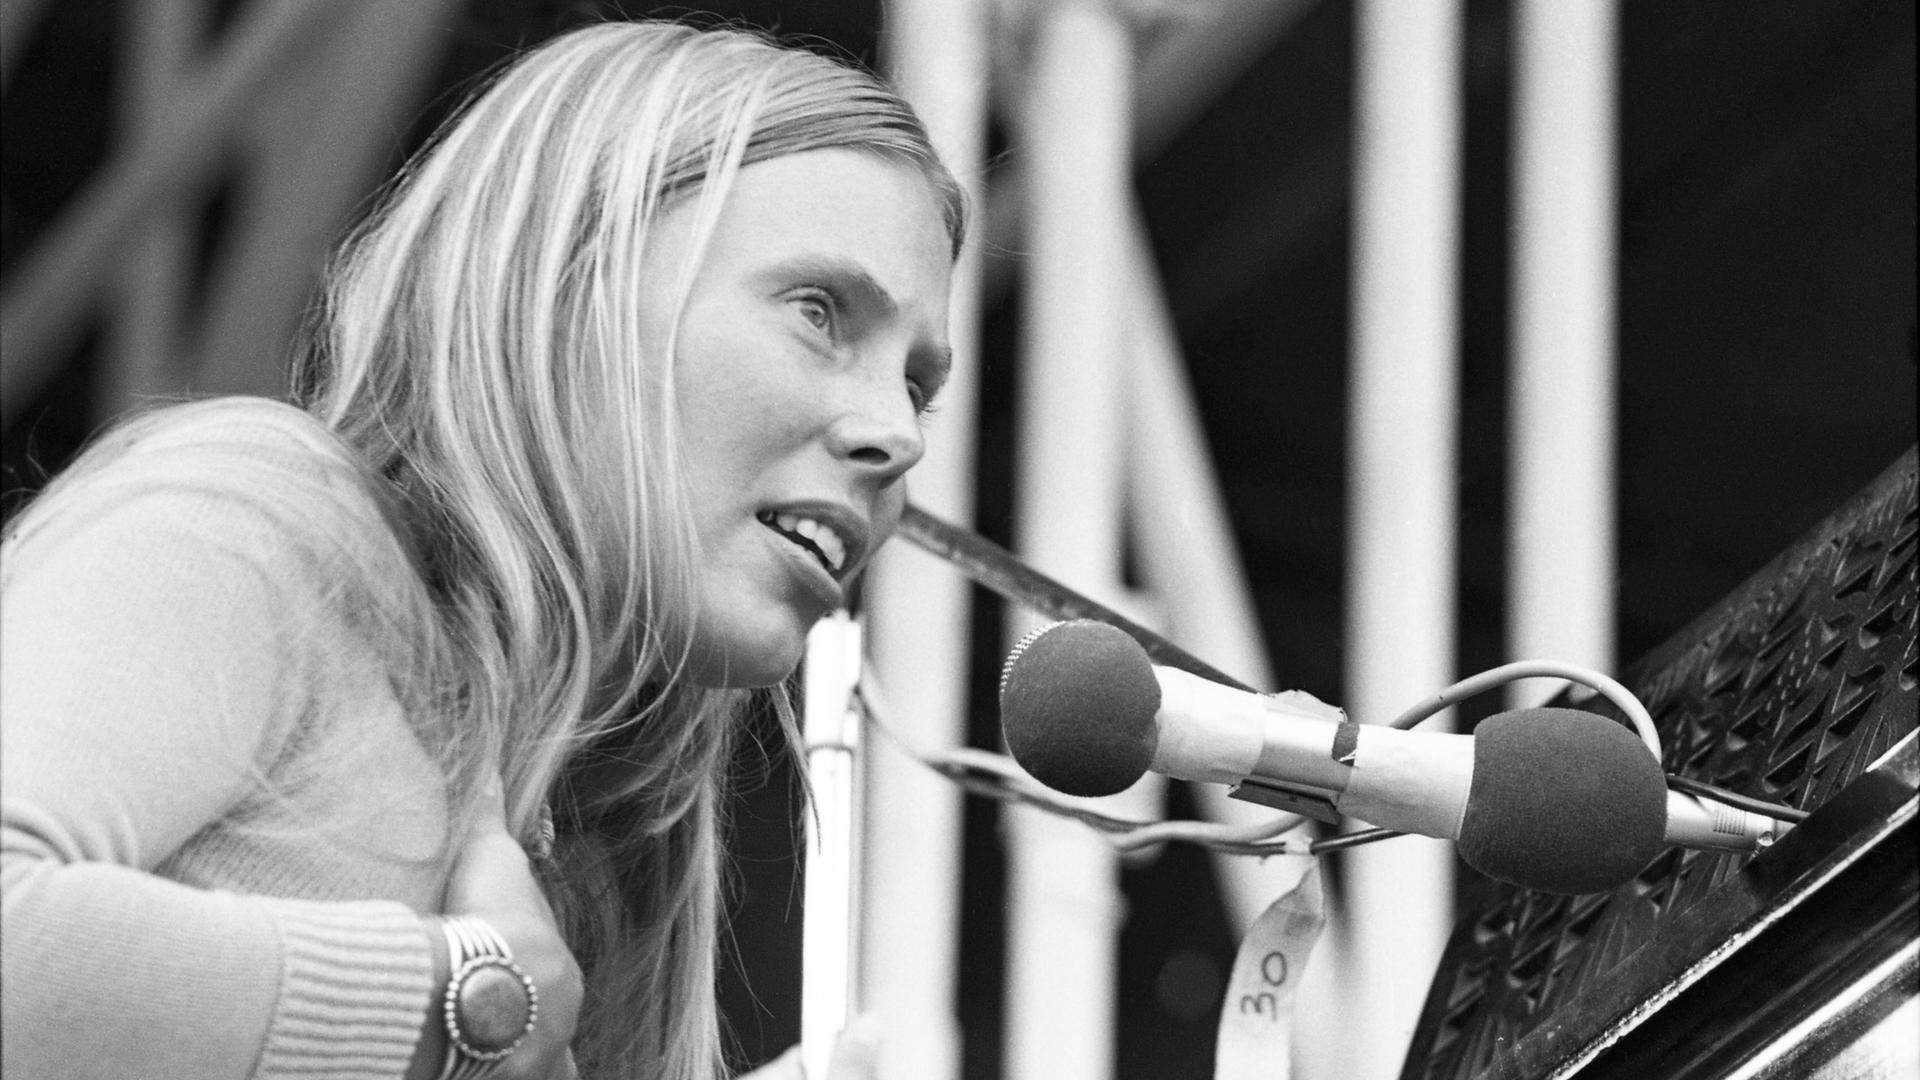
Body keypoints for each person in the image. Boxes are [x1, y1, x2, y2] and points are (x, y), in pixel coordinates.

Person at [1, 19, 963, 1080]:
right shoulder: (266, 519)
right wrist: (466, 1006)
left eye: (919, 383)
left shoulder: (608, 838)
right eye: (820, 312)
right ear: (567, 282)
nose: (901, 432)